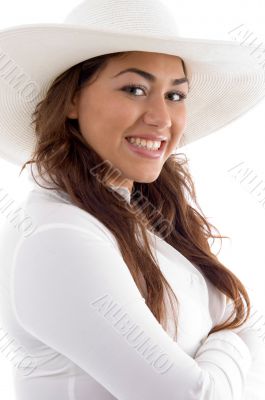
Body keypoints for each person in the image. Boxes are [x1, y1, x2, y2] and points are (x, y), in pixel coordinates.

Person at [0, 0, 265, 399]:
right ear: (72, 100)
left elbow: (249, 336)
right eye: (135, 89)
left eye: (175, 95)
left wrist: (229, 341)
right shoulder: (57, 237)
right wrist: (230, 341)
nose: (161, 118)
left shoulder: (142, 218)